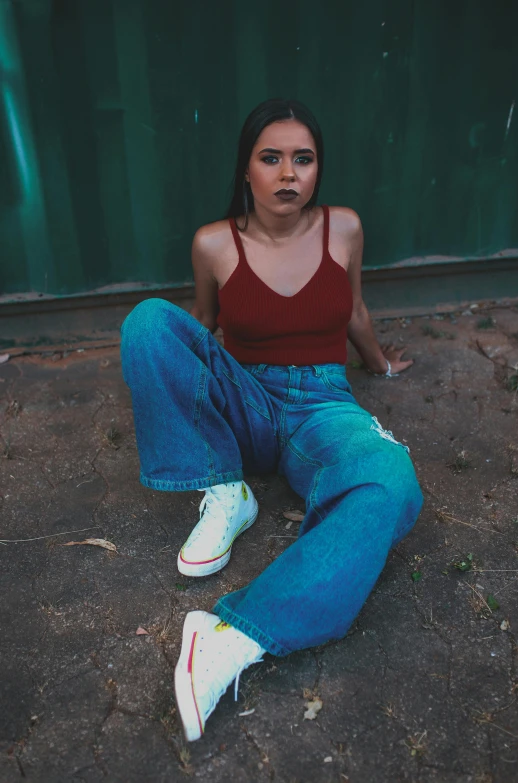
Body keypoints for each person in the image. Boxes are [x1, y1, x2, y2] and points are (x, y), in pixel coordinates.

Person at [120, 98, 423, 743]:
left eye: (303, 159)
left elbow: (356, 309)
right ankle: (224, 488)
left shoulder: (343, 228)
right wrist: (189, 397)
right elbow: (200, 332)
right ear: (248, 169)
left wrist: (379, 364)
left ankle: (233, 637)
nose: (288, 173)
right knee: (149, 322)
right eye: (271, 158)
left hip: (322, 404)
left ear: (318, 171)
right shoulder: (213, 242)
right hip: (244, 397)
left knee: (392, 482)